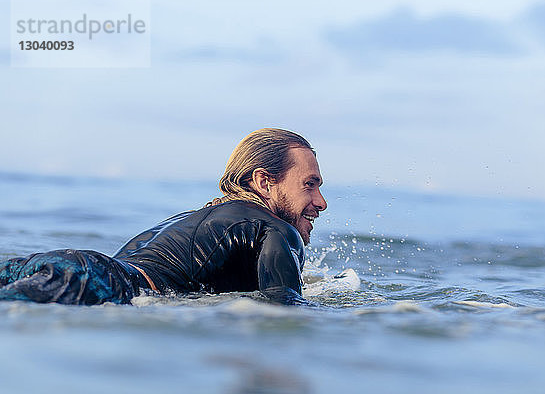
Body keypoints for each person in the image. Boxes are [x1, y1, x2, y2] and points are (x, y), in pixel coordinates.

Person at [0, 128, 327, 306]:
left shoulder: (201, 218)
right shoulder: (278, 231)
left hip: (74, 268)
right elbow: (285, 318)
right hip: (99, 285)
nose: (321, 202)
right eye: (309, 185)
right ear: (264, 182)